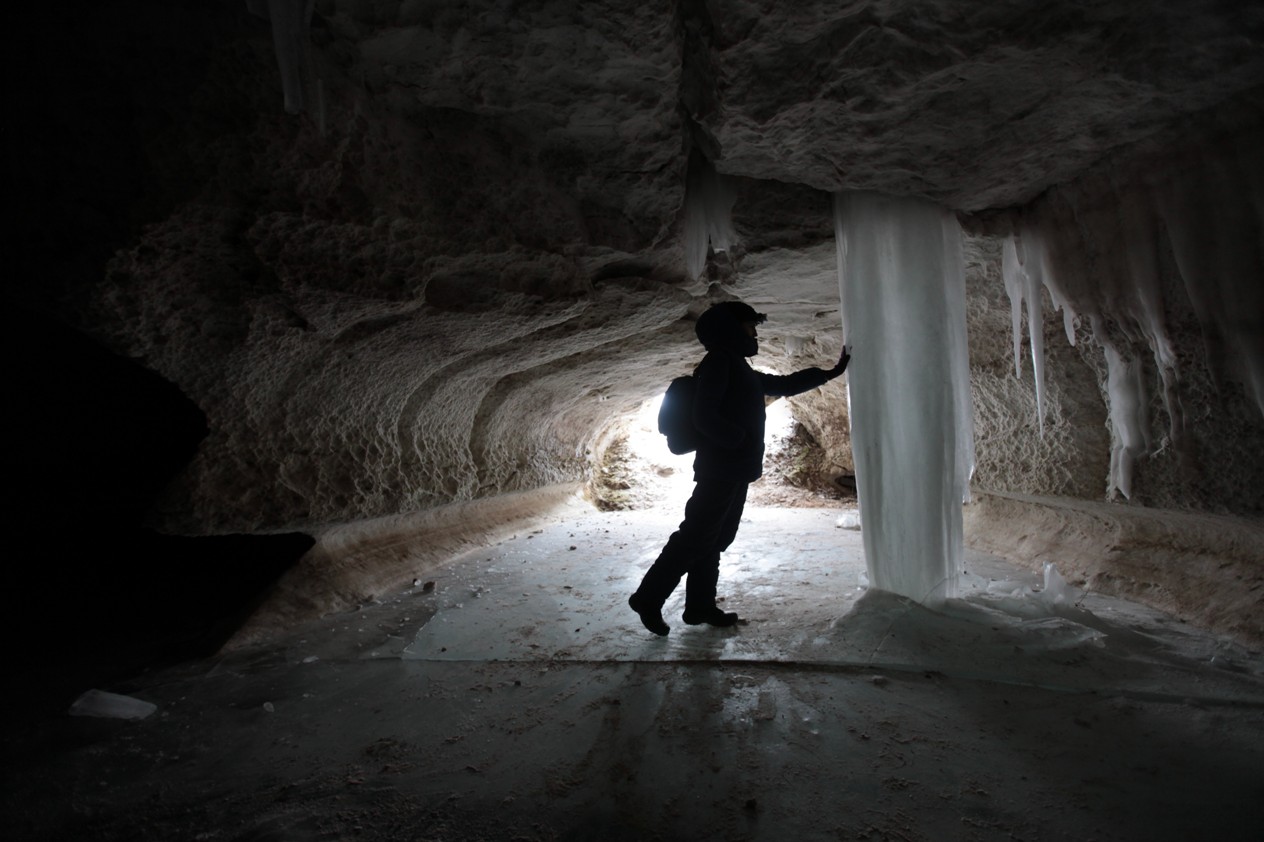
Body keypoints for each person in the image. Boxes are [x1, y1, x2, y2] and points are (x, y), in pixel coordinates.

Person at [628, 300, 851, 635]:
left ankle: (700, 606)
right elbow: (704, 415)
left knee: (714, 538)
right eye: (750, 327)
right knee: (695, 536)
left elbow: (782, 384)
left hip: (734, 469)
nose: (755, 333)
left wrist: (829, 373)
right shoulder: (719, 362)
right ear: (732, 331)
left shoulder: (736, 365)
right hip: (721, 468)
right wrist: (737, 440)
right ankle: (648, 598)